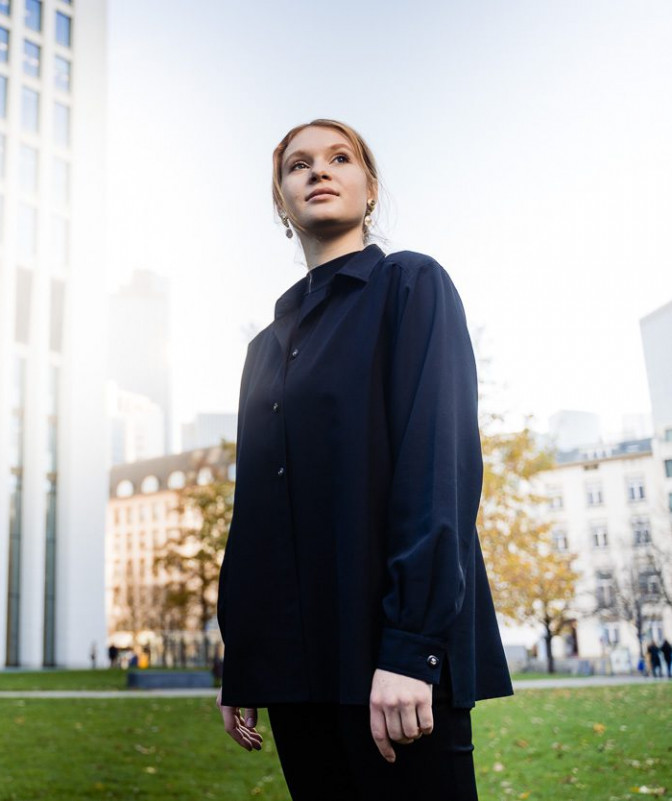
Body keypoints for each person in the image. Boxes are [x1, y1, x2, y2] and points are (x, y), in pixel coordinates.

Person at [214, 120, 513, 800]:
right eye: (298, 165)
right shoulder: (263, 348)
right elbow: (254, 516)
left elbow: (439, 470)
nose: (318, 171)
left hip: (393, 666)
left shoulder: (411, 285)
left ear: (368, 188)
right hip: (294, 671)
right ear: (281, 202)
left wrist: (412, 647)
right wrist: (245, 660)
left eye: (339, 158)